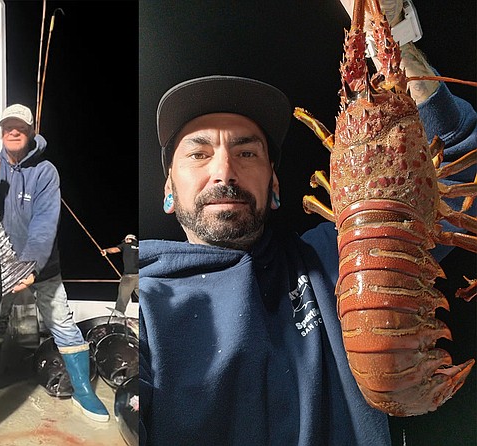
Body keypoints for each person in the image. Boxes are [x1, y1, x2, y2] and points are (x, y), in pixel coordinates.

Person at [138, 1, 477, 445]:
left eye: (247, 153)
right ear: (167, 190)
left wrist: (398, 37)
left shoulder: (333, 258)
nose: (224, 171)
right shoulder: (145, 300)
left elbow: (460, 160)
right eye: (199, 154)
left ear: (275, 186)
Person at [0, 103, 109, 422]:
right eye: (7, 126)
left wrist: (32, 267)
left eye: (20, 127)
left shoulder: (46, 172)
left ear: (31, 132)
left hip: (42, 268)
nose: (12, 131)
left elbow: (44, 224)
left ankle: (83, 390)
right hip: (0, 270)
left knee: (62, 324)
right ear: (0, 131)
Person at [101, 234, 140, 313]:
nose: (126, 240)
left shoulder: (126, 245)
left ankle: (118, 317)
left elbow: (115, 249)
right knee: (145, 299)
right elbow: (115, 249)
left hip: (129, 278)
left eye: (128, 239)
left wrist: (106, 250)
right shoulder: (138, 246)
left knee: (121, 301)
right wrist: (106, 251)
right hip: (139, 277)